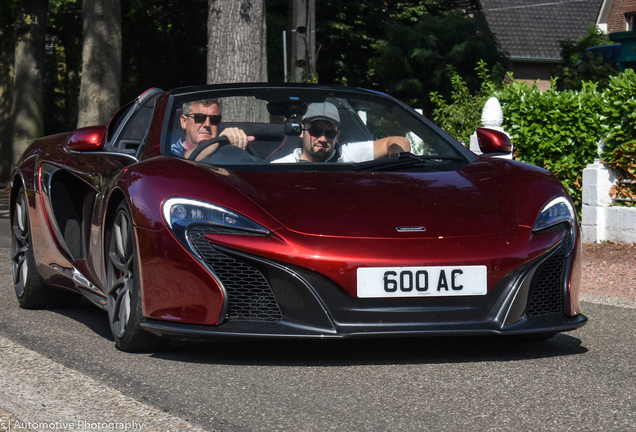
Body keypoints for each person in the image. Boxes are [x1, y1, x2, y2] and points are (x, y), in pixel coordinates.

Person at [271, 102, 411, 163]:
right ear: (302, 131)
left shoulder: (348, 154)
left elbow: (400, 142)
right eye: (316, 131)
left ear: (337, 135)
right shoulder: (280, 167)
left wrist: (396, 163)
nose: (323, 138)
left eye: (330, 133)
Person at [171, 99, 254, 159]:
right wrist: (219, 143)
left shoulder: (226, 152)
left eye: (214, 119)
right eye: (199, 118)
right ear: (184, 122)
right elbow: (182, 158)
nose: (207, 124)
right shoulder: (170, 152)